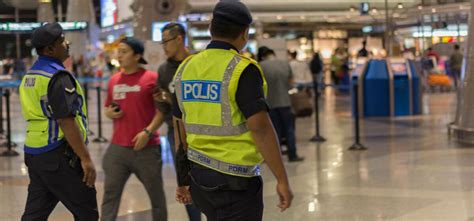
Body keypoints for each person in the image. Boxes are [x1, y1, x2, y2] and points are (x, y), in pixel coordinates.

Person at [172, 1, 294, 220]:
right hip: (235, 183)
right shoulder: (242, 69)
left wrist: (182, 179)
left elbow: (178, 129)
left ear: (211, 28)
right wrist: (282, 180)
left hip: (199, 178)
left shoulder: (185, 68)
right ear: (245, 33)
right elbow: (261, 130)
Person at [19, 22, 98, 221]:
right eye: (62, 41)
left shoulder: (31, 76)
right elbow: (66, 120)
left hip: (35, 153)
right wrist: (85, 158)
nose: (67, 43)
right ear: (50, 49)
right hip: (58, 154)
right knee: (87, 211)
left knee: (34, 215)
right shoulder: (57, 76)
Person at [101, 37, 167, 221]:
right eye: (118, 51)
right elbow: (108, 107)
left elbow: (163, 112)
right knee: (109, 197)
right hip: (118, 149)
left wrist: (148, 132)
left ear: (137, 56)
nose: (119, 55)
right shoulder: (114, 80)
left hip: (147, 149)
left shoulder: (152, 79)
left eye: (124, 51)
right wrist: (109, 113)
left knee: (157, 198)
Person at [153, 23, 202, 221]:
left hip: (202, 131)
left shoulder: (198, 63)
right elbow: (163, 106)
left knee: (208, 180)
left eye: (166, 41)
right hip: (177, 132)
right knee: (185, 181)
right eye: (161, 42)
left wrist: (170, 99)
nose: (163, 46)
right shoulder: (164, 70)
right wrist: (164, 100)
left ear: (179, 39)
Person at [259, 47, 305, 162]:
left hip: (270, 104)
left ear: (262, 56)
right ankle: (293, 155)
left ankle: (276, 157)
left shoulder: (260, 66)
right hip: (285, 101)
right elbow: (291, 83)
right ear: (273, 54)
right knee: (289, 129)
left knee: (275, 131)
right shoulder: (285, 63)